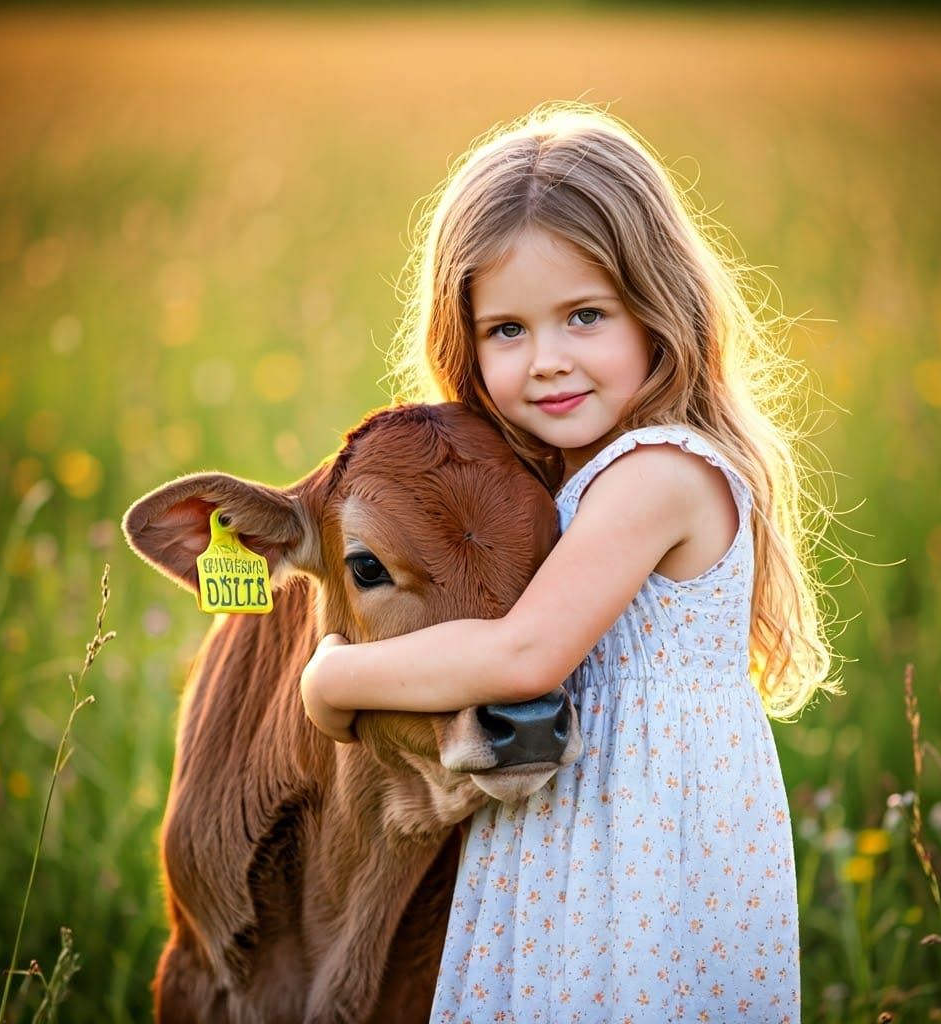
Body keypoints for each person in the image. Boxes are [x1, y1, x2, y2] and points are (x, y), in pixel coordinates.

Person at [300, 102, 839, 1022]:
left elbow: (525, 656)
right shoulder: (578, 471)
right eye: (507, 330)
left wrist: (336, 676)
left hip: (639, 850)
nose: (547, 361)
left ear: (660, 309)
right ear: (462, 339)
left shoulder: (657, 473)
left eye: (584, 316)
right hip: (577, 826)